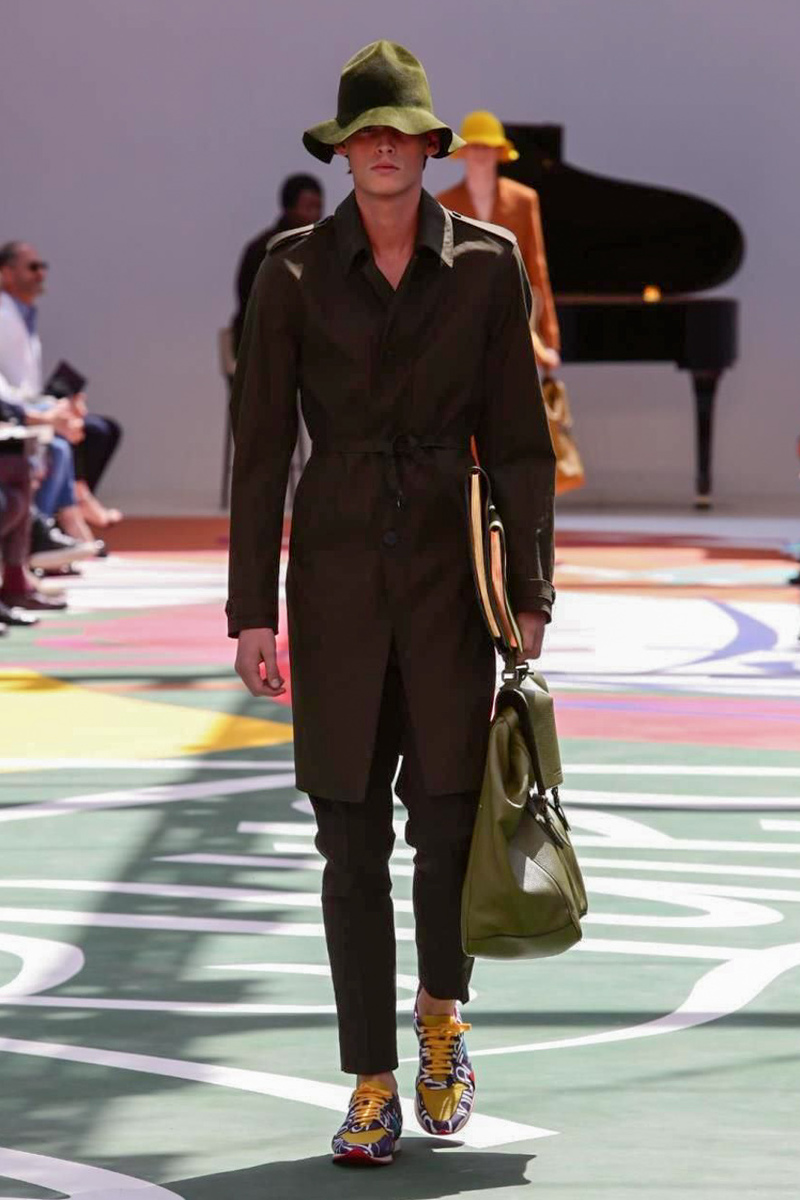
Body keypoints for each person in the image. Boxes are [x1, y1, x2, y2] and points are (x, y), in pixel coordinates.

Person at [227, 40, 555, 1167]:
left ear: (428, 146)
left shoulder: (489, 266)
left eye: (399, 130)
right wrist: (250, 610)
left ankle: (440, 1019)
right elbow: (259, 449)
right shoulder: (291, 273)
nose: (381, 147)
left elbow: (519, 442)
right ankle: (369, 1078)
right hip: (330, 582)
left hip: (451, 578)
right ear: (341, 149)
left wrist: (529, 589)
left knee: (451, 821)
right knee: (348, 835)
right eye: (362, 131)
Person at [0, 240, 123, 533]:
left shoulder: (23, 313)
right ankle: (60, 518)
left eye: (42, 267)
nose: (41, 274)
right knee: (64, 440)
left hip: (22, 406)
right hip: (13, 414)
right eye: (32, 267)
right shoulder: (3, 314)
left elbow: (15, 384)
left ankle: (62, 516)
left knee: (99, 429)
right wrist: (48, 411)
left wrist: (57, 403)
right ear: (6, 273)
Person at [436, 111, 561, 370]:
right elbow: (441, 273)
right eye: (475, 146)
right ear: (464, 152)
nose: (481, 153)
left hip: (513, 317)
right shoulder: (444, 203)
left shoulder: (524, 200)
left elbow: (536, 266)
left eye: (488, 146)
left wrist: (549, 338)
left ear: (499, 152)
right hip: (464, 323)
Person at [232, 174, 324, 354]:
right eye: (308, 208)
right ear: (289, 209)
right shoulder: (264, 250)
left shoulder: (325, 248)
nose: (315, 215)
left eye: (318, 207)